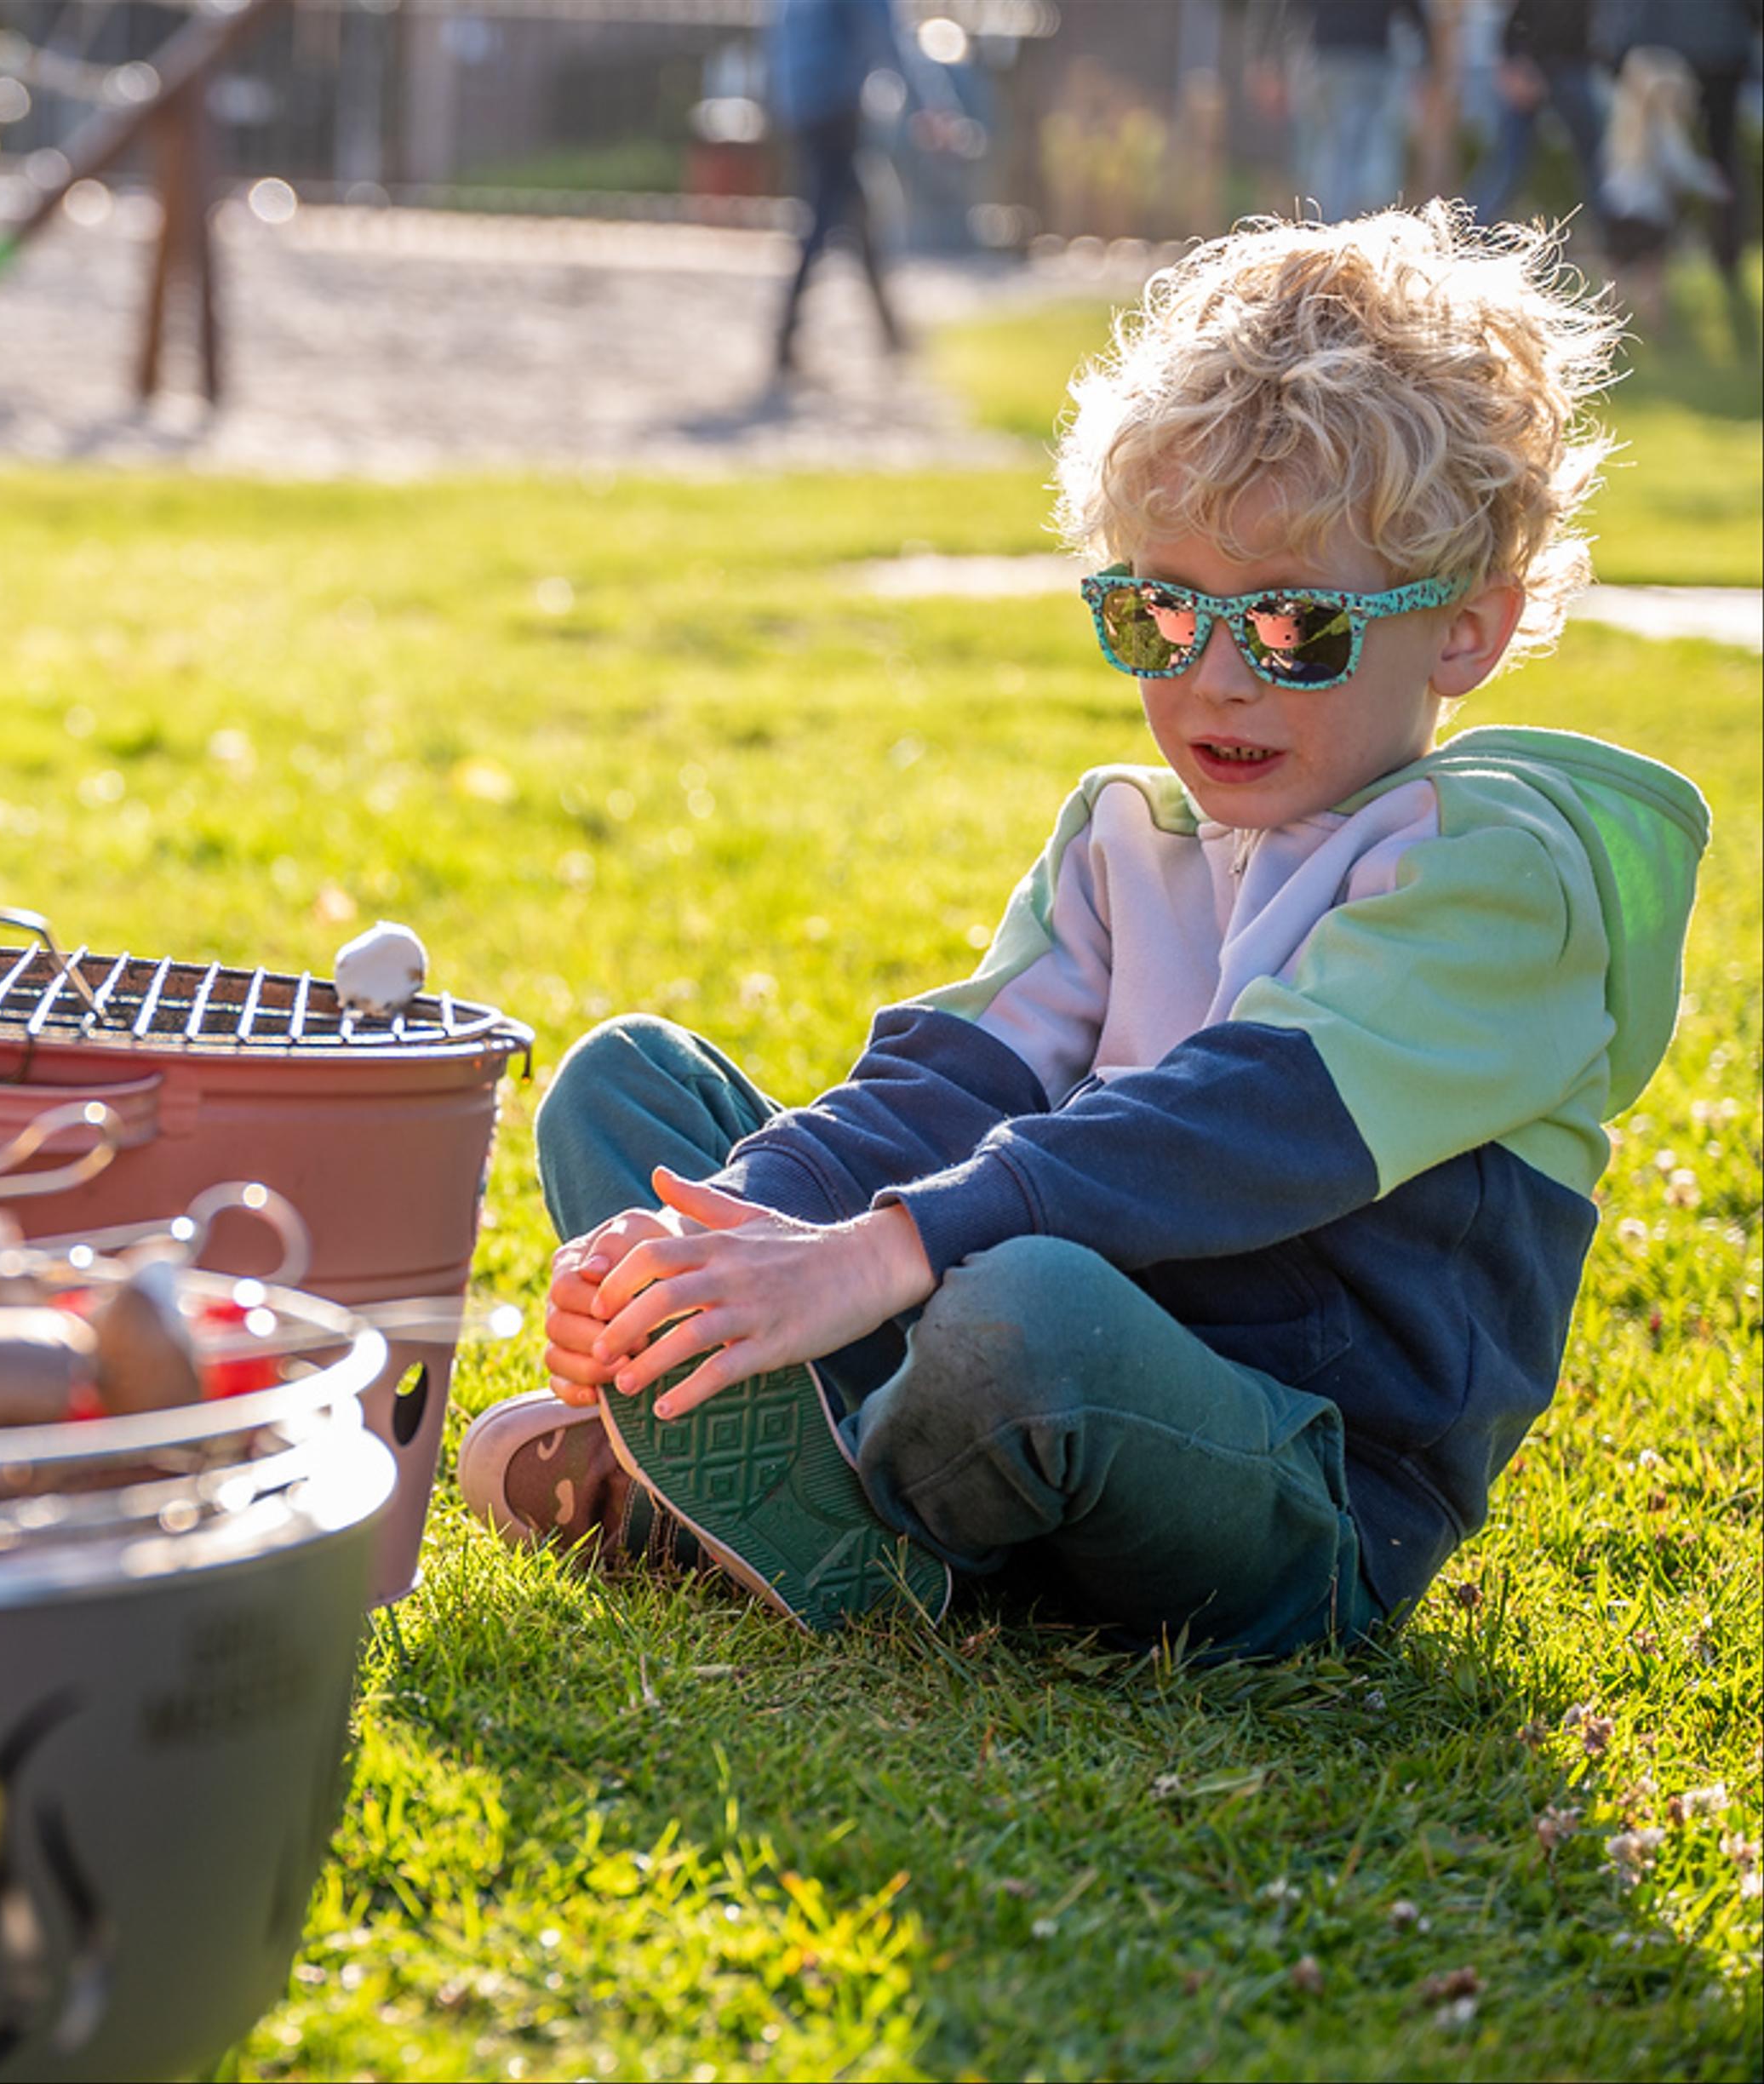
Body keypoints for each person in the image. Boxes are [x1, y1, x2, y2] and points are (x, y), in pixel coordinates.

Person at [456, 204, 1708, 1659]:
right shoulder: (1129, 838)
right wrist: (707, 1239)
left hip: (1286, 1474)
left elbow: (1230, 1127)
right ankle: (771, 1462)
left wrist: (873, 1256)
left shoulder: (1500, 876)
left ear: (1467, 632)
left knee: (1023, 1311)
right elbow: (952, 1087)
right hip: (1008, 1340)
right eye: (1157, 616)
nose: (1217, 678)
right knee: (633, 1087)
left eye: (1296, 626)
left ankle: (817, 1516)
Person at [765, 0, 912, 378]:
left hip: (800, 103)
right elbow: (888, 37)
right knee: (823, 219)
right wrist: (929, 106)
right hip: (836, 105)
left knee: (854, 211)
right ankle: (785, 335)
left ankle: (891, 330)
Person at [1602, 43, 1738, 323]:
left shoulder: (1621, 127)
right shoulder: (1663, 131)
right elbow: (1684, 169)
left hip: (1617, 211)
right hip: (1651, 214)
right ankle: (1657, 328)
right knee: (1651, 275)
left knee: (1616, 273)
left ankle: (1606, 326)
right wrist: (1718, 185)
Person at [1466, 0, 1609, 227]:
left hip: (1549, 65)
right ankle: (1470, 230)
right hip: (1551, 67)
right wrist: (1527, 67)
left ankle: (1470, 231)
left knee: (1595, 164)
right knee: (1507, 165)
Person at [1287, 0, 1430, 216]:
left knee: (1333, 147)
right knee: (1371, 149)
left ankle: (1325, 220)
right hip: (1371, 57)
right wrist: (1428, 62)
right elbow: (1413, 12)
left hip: (1327, 56)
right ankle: (1359, 222)